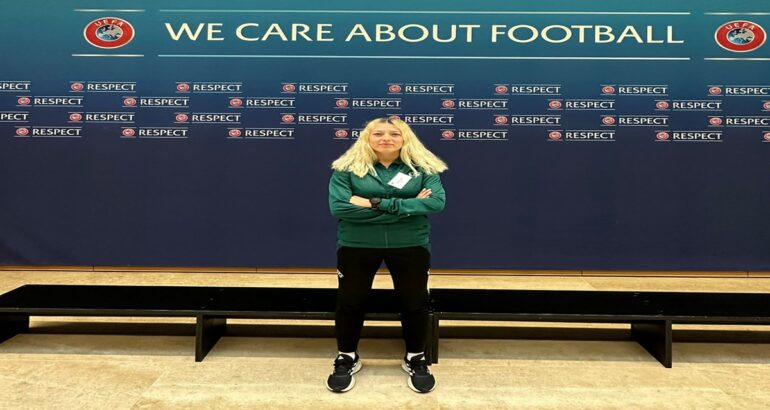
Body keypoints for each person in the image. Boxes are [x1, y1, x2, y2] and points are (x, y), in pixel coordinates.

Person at [325, 117, 448, 394]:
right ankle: (347, 356)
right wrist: (407, 207)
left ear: (405, 138)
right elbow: (340, 208)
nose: (386, 138)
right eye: (378, 133)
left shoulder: (423, 168)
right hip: (357, 244)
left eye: (394, 134)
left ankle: (415, 357)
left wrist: (374, 203)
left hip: (410, 244)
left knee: (414, 301)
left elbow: (436, 203)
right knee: (350, 301)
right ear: (367, 138)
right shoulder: (346, 169)